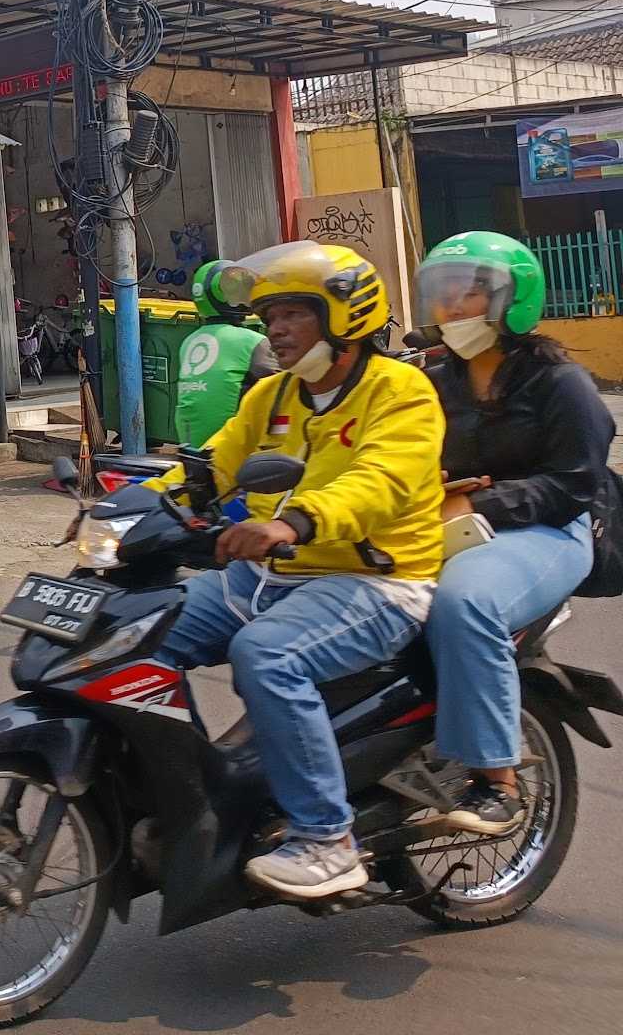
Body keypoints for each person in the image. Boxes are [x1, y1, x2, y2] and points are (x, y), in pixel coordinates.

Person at [151, 241, 445, 901]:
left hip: (377, 583)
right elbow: (210, 466)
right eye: (268, 317)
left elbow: (380, 483)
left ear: (344, 316)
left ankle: (326, 838)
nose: (275, 330)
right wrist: (128, 510)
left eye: (292, 314)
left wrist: (294, 523)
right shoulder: (273, 396)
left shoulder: (401, 391)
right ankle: (192, 794)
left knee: (268, 657)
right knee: (145, 628)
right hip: (271, 577)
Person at [418, 231, 608, 835]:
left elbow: (575, 485)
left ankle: (496, 780)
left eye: (469, 294)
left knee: (466, 600)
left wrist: (482, 502)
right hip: (446, 524)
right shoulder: (434, 378)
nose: (452, 308)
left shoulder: (560, 384)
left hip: (550, 531)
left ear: (513, 300)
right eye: (444, 294)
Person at [173, 260, 281, 448]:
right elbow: (285, 387)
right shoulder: (251, 341)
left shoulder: (189, 341)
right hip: (231, 447)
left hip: (189, 444)